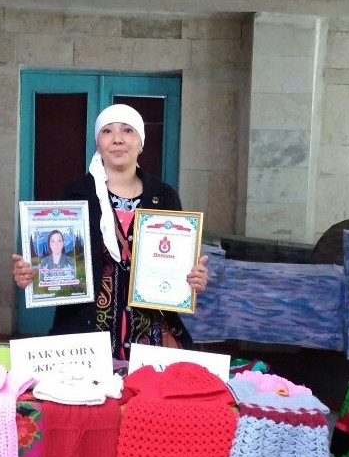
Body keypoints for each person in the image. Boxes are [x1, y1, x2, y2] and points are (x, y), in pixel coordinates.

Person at [12, 103, 209, 361]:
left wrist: (192, 278)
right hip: (85, 337)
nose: (117, 139)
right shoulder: (76, 196)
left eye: (127, 130)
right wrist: (33, 273)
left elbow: (175, 262)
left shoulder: (163, 196)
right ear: (98, 142)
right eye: (107, 131)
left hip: (150, 337)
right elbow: (59, 260)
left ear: (141, 142)